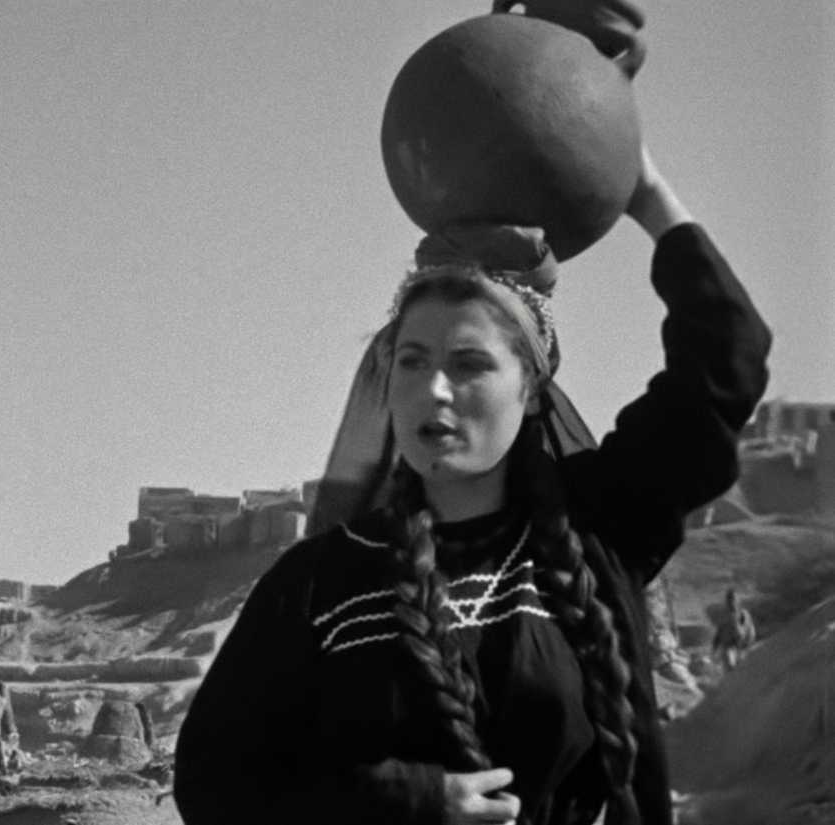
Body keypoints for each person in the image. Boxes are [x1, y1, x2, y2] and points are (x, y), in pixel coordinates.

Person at [172, 145, 771, 825]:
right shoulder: (320, 584)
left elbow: (728, 356)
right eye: (412, 360)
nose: (434, 389)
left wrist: (646, 189)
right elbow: (213, 782)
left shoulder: (602, 525)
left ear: (530, 386)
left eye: (468, 364)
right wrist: (402, 800)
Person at [709, 588, 757, 671]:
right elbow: (719, 633)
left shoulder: (743, 615)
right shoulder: (724, 616)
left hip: (742, 647)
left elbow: (750, 633)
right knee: (730, 669)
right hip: (728, 647)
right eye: (729, 601)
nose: (731, 603)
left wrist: (745, 647)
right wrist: (714, 648)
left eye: (733, 600)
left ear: (737, 601)